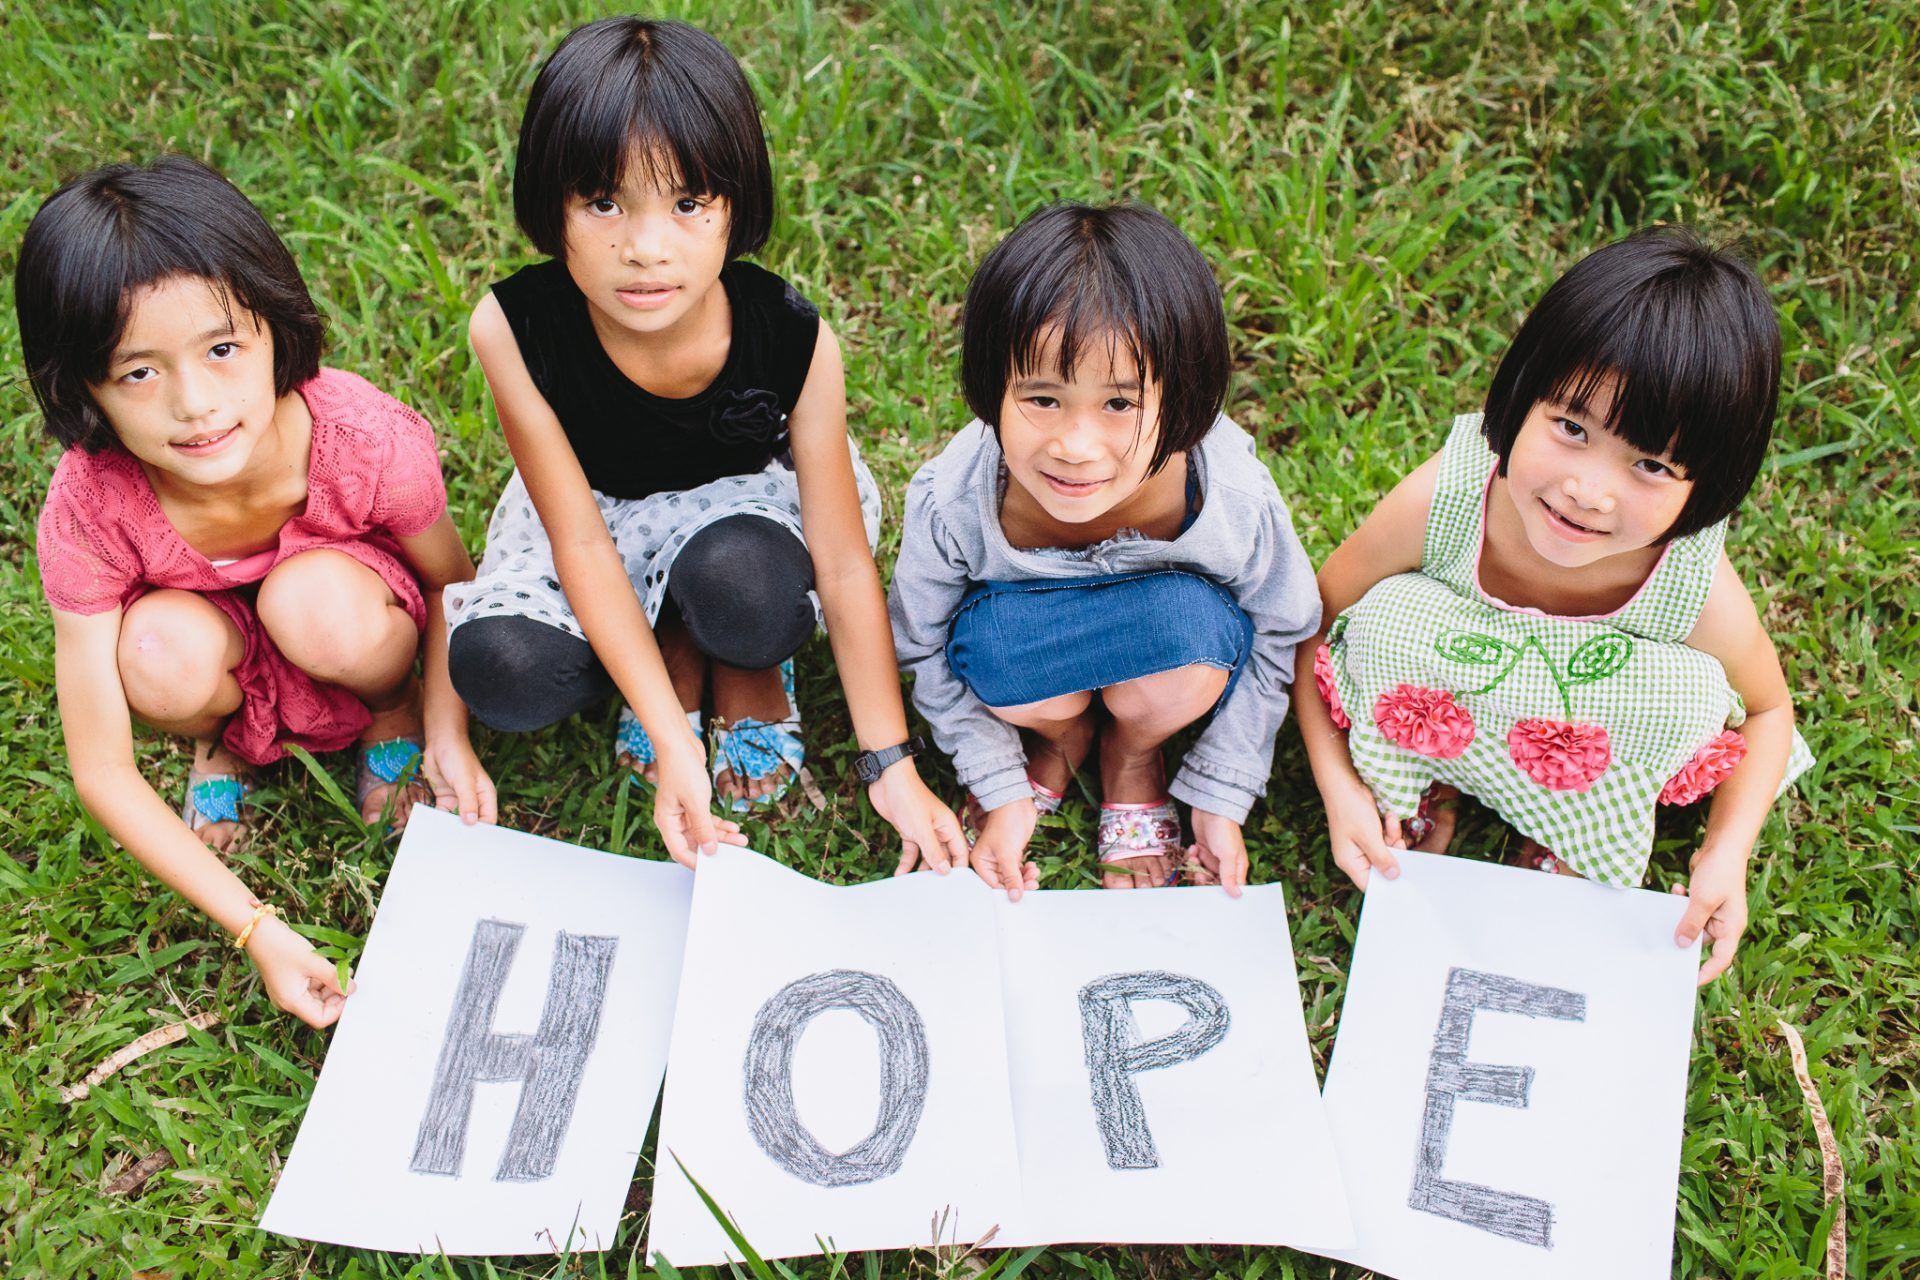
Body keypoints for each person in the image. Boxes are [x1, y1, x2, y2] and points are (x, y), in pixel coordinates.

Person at [445, 16, 967, 872]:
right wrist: (673, 745)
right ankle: (671, 661)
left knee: (744, 587)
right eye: (604, 201)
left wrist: (891, 763)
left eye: (688, 203)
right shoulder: (512, 328)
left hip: (743, 517)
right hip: (598, 516)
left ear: (736, 207)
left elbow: (839, 563)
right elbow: (577, 538)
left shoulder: (793, 338)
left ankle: (739, 656)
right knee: (501, 670)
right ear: (552, 202)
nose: (645, 249)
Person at [23, 157, 495, 1027]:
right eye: (138, 372)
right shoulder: (90, 506)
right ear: (81, 386)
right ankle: (220, 740)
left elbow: (452, 585)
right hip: (208, 640)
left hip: (343, 609)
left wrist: (443, 727)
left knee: (312, 601)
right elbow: (100, 767)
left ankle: (384, 710)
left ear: (277, 327)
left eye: (222, 348)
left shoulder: (363, 439)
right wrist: (256, 929)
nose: (195, 404)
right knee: (156, 654)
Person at [1296, 227, 1814, 984]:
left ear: (1709, 485)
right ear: (1520, 396)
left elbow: (1769, 713)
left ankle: (1572, 835)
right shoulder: (1446, 499)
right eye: (1571, 428)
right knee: (1378, 622)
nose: (1589, 491)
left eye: (1650, 464)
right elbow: (1310, 625)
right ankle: (1420, 785)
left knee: (1691, 698)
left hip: (1578, 728)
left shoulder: (1686, 579)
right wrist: (1339, 787)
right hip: (1441, 687)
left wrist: (1724, 855)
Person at [890, 202, 1320, 898]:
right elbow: (920, 642)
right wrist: (996, 781)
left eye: (1119, 405)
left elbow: (1284, 629)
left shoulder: (1232, 499)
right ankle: (1058, 740)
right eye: (1042, 399)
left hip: (1171, 653)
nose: (1074, 447)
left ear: (1186, 399)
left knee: (1190, 634)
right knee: (994, 649)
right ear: (989, 387)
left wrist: (1220, 792)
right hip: (1028, 660)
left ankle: (1134, 756)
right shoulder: (953, 499)